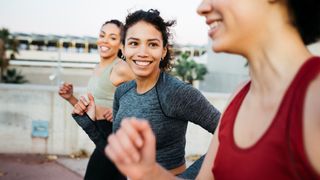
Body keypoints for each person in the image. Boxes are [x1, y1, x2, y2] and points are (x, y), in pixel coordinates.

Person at [104, 0, 320, 179]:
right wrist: (149, 172)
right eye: (134, 43)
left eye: (152, 44)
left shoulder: (315, 95)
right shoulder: (240, 96)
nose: (202, 7)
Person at [73, 9, 221, 178]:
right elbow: (116, 153)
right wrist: (89, 123)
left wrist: (186, 178)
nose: (142, 52)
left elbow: (227, 135)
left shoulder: (176, 92)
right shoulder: (122, 92)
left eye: (152, 44)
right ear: (123, 48)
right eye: (134, 43)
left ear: (164, 50)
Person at [59, 19, 134, 180]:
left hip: (114, 136)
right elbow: (92, 107)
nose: (105, 40)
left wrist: (123, 113)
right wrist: (70, 98)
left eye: (112, 37)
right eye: (102, 35)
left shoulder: (120, 67)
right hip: (99, 135)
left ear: (121, 45)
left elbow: (148, 92)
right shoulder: (98, 67)